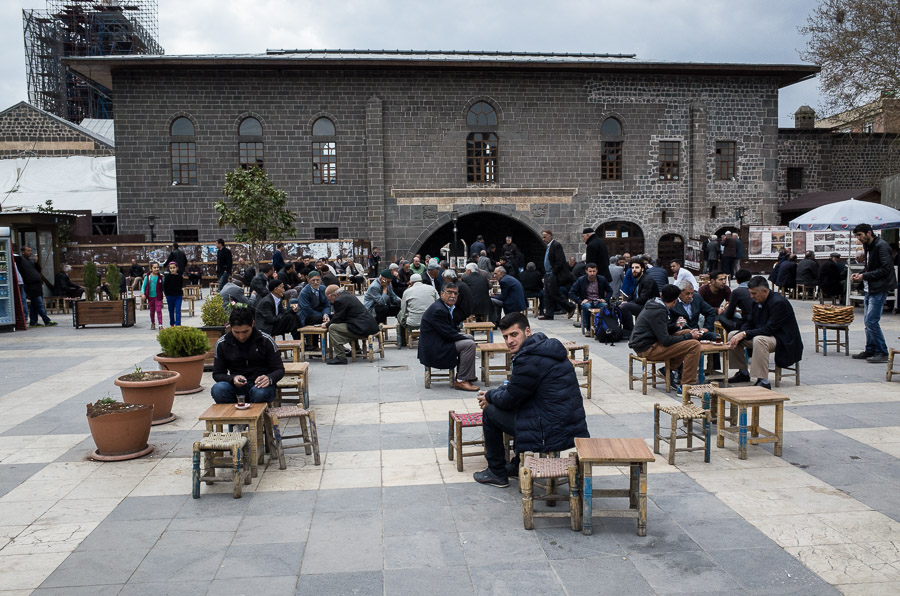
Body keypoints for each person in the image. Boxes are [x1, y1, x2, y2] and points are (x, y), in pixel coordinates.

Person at [474, 312, 589, 487]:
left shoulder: (528, 359)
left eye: (514, 334)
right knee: (514, 407)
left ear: (527, 331)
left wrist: (489, 396)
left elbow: (510, 399)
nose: (509, 341)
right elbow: (519, 388)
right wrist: (494, 393)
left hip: (552, 430)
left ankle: (496, 472)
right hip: (568, 423)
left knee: (490, 412)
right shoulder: (543, 347)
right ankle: (517, 464)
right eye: (505, 337)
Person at [628, 283, 703, 392]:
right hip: (647, 349)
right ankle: (686, 386)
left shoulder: (655, 304)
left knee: (686, 332)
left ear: (661, 295)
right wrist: (690, 336)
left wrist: (676, 326)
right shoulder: (658, 311)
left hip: (649, 343)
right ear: (675, 301)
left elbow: (661, 330)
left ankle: (669, 369)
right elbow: (666, 340)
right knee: (694, 345)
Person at [211, 306, 284, 404]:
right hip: (235, 386)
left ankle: (256, 412)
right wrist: (232, 379)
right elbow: (217, 374)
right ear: (230, 327)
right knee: (218, 389)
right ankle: (233, 412)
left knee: (259, 393)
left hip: (260, 385)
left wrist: (269, 378)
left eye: (245, 332)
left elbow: (279, 369)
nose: (241, 336)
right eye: (236, 332)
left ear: (252, 324)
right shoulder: (222, 343)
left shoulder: (266, 340)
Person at [417, 282, 480, 391]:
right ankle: (461, 381)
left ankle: (467, 375)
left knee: (469, 337)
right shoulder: (438, 310)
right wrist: (463, 338)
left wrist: (464, 337)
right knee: (469, 344)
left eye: (455, 293)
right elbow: (449, 334)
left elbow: (449, 332)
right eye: (449, 292)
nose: (453, 296)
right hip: (434, 348)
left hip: (439, 341)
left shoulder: (444, 306)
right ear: (442, 294)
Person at [851, 223, 897, 363]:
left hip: (879, 288)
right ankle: (870, 349)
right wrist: (859, 274)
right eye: (857, 236)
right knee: (868, 321)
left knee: (871, 321)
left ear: (869, 233)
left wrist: (864, 276)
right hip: (869, 288)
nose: (858, 238)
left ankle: (882, 352)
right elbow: (869, 267)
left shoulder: (881, 246)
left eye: (860, 235)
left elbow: (886, 269)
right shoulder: (868, 246)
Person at [325, 284, 380, 364]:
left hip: (363, 329)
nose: (329, 300)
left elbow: (338, 319)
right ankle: (357, 350)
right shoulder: (346, 295)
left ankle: (340, 357)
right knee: (346, 325)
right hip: (369, 326)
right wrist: (330, 317)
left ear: (334, 295)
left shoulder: (339, 300)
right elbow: (343, 314)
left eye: (329, 298)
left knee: (332, 327)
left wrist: (326, 325)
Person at [538, 229, 576, 320]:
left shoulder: (556, 245)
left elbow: (560, 261)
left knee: (555, 293)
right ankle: (549, 314)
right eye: (542, 237)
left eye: (545, 237)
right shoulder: (549, 246)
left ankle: (570, 307)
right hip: (548, 273)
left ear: (550, 236)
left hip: (552, 273)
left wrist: (554, 272)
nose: (543, 239)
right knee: (547, 294)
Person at [15, 246, 56, 327]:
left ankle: (33, 322)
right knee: (39, 303)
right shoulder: (20, 260)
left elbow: (38, 270)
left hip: (37, 284)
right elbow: (13, 257)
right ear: (23, 252)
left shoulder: (31, 261)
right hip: (30, 285)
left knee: (34, 304)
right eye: (28, 251)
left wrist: (36, 262)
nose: (30, 252)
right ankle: (46, 320)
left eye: (30, 251)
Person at [568, 262, 612, 333]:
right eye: (590, 271)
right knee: (587, 306)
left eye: (594, 271)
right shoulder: (581, 280)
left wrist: (605, 299)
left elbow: (610, 290)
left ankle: (603, 327)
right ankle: (588, 328)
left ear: (597, 271)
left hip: (598, 302)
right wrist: (580, 301)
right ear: (586, 271)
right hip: (587, 302)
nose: (592, 273)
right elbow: (571, 293)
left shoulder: (602, 279)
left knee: (605, 306)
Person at [620, 259, 659, 335]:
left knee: (624, 307)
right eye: (632, 268)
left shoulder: (647, 280)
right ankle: (626, 330)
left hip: (650, 307)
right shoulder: (638, 279)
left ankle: (630, 331)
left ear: (642, 269)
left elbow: (643, 299)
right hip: (642, 305)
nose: (634, 270)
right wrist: (626, 301)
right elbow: (632, 294)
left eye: (637, 267)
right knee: (619, 304)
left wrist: (628, 303)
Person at [399, 273, 439, 346]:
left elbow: (403, 310)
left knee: (400, 314)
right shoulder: (431, 288)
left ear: (411, 283)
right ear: (422, 281)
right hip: (431, 321)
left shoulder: (407, 292)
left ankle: (403, 341)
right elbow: (439, 303)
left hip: (413, 323)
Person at [142, 261, 164, 330]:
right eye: (154, 267)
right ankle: (153, 323)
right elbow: (143, 286)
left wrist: (167, 294)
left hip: (158, 296)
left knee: (159, 310)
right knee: (152, 311)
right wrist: (143, 293)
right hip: (150, 297)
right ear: (151, 268)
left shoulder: (160, 277)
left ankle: (160, 325)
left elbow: (163, 287)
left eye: (157, 267)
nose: (156, 269)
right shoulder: (148, 277)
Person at [163, 261, 184, 327]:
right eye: (171, 268)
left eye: (174, 268)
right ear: (169, 269)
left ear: (177, 268)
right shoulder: (167, 277)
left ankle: (178, 324)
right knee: (171, 310)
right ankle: (172, 323)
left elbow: (181, 286)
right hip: (170, 296)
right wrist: (166, 294)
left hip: (178, 296)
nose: (172, 269)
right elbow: (165, 286)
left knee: (178, 310)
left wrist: (181, 294)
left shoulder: (180, 277)